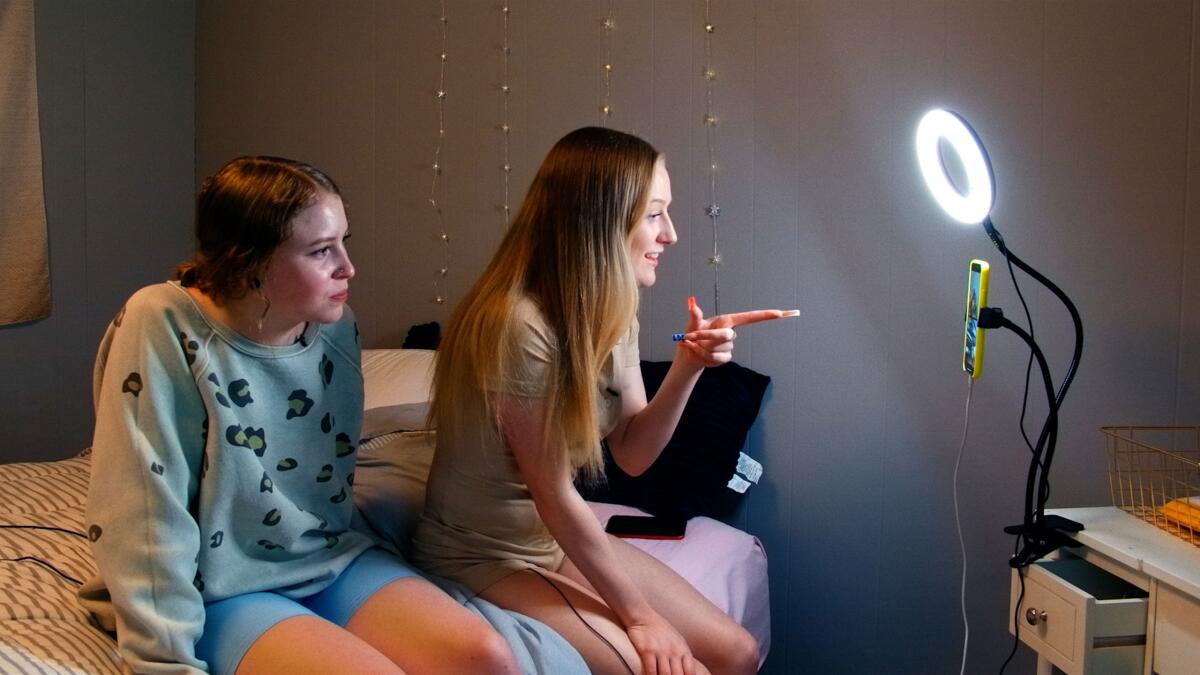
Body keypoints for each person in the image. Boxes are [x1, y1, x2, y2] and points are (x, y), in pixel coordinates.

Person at [79, 156, 519, 675]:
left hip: (323, 557)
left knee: (487, 659)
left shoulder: (336, 327)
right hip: (217, 582)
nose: (347, 267)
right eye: (320, 251)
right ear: (249, 262)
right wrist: (162, 657)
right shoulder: (163, 321)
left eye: (343, 242)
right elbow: (144, 506)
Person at [412, 127, 781, 675]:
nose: (672, 234)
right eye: (655, 214)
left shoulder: (611, 313)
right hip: (482, 553)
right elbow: (555, 493)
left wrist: (687, 367)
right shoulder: (518, 325)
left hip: (547, 539)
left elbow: (631, 453)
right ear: (602, 222)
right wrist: (642, 619)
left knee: (737, 652)